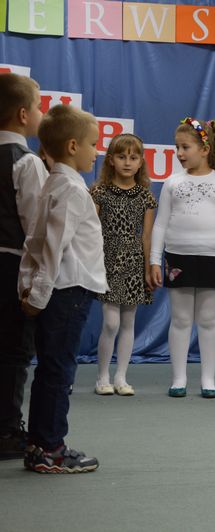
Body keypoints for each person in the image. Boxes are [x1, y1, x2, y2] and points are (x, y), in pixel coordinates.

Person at [20, 104, 107, 473]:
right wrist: (38, 294)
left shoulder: (53, 183)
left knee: (50, 369)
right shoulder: (70, 188)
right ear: (73, 146)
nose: (96, 152)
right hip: (68, 292)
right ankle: (52, 448)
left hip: (60, 291)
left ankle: (39, 444)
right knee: (59, 371)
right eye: (93, 144)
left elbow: (34, 242)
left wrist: (28, 284)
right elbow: (52, 248)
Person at [149, 117, 215, 398]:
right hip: (178, 257)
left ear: (204, 149)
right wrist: (155, 259)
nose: (179, 153)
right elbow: (160, 224)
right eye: (177, 147)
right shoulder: (172, 182)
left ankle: (208, 379)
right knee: (180, 319)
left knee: (208, 320)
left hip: (211, 256)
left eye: (185, 147)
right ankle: (179, 378)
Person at [0, 73, 47, 459]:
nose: (41, 113)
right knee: (14, 350)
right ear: (22, 114)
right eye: (38, 106)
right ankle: (7, 430)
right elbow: (36, 227)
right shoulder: (26, 162)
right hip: (12, 265)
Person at [91, 133, 157, 397]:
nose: (127, 163)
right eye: (121, 157)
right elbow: (91, 231)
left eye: (133, 157)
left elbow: (146, 236)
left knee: (128, 321)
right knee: (111, 323)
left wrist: (148, 268)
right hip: (107, 261)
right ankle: (102, 376)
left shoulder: (145, 197)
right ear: (111, 160)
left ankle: (121, 376)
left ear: (141, 162)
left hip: (133, 262)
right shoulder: (99, 192)